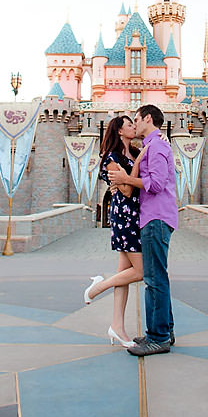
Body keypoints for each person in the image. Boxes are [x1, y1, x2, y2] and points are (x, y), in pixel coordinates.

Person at [108, 104, 178, 356]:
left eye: (136, 119)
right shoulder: (153, 145)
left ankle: (157, 337)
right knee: (159, 276)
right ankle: (165, 331)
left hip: (155, 218)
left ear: (148, 118)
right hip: (154, 218)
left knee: (153, 278)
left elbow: (157, 184)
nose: (134, 124)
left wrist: (126, 180)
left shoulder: (157, 146)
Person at [82, 115, 143, 349]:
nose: (134, 127)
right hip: (124, 216)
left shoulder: (136, 154)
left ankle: (117, 327)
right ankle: (98, 286)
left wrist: (130, 173)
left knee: (125, 275)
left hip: (138, 215)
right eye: (130, 125)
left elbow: (131, 182)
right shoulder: (111, 157)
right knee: (141, 271)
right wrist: (132, 173)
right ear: (119, 131)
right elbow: (127, 191)